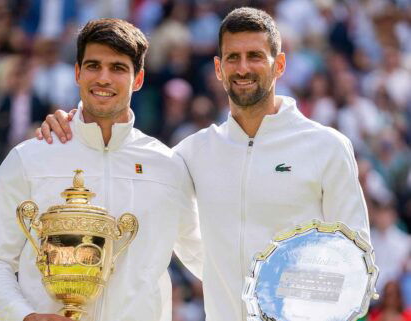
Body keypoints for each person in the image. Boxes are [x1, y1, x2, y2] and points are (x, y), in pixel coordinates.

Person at [37, 7, 371, 321]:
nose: (242, 68)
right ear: (218, 67)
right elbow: (127, 161)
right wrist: (74, 124)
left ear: (279, 65)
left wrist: (281, 298)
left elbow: (357, 262)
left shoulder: (327, 146)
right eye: (232, 58)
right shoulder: (191, 153)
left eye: (255, 56)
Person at [0, 18, 202, 321]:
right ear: (78, 72)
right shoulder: (29, 158)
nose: (104, 78)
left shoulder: (168, 166)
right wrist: (26, 316)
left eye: (118, 68)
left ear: (138, 79)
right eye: (94, 66)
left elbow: (203, 258)